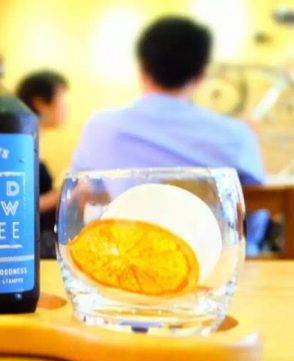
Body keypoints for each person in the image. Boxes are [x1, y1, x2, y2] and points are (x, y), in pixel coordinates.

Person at [71, 16, 267, 254]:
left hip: (132, 258)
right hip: (217, 260)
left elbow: (81, 194)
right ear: (201, 75)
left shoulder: (100, 127)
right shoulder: (237, 135)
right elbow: (258, 209)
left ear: (142, 69)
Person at [16, 70, 69, 258]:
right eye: (62, 100)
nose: (66, 108)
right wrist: (60, 194)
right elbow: (17, 205)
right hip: (31, 246)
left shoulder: (34, 139)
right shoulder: (21, 142)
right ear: (40, 103)